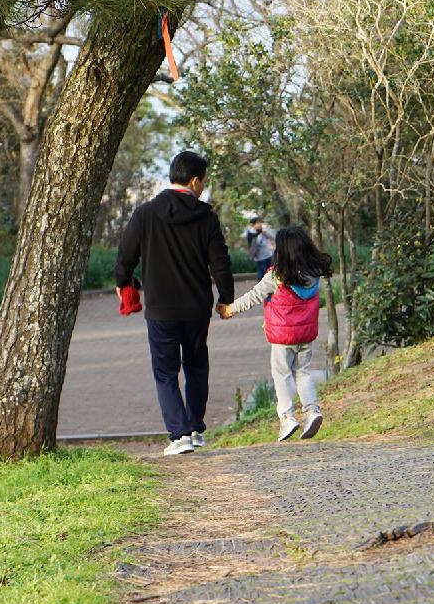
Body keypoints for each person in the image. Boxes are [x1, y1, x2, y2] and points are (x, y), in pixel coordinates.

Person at [115, 151, 234, 456]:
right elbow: (220, 262)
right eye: (203, 182)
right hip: (196, 307)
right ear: (195, 181)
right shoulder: (206, 216)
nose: (203, 188)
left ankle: (178, 435)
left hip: (161, 308)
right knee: (196, 366)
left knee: (166, 372)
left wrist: (123, 284)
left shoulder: (145, 214)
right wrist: (226, 298)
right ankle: (194, 429)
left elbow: (125, 256)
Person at [219, 226, 331, 442]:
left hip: (282, 338)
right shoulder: (314, 274)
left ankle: (287, 416)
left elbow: (253, 296)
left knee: (281, 375)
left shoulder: (276, 277)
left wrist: (229, 309)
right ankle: (311, 410)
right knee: (303, 373)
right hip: (306, 335)